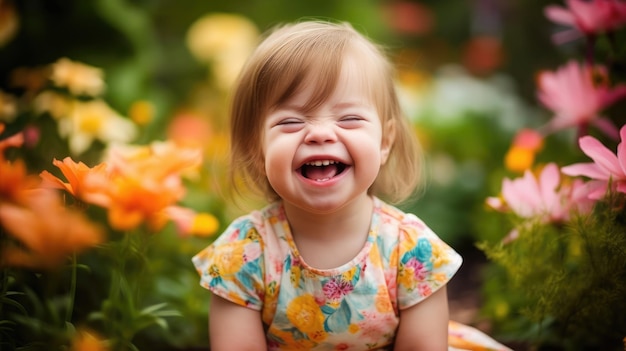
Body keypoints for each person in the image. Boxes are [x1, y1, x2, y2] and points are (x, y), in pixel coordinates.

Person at [192, 20, 463, 351]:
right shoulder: (244, 254)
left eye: (348, 119)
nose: (320, 133)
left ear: (385, 142)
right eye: (291, 121)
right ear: (256, 147)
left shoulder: (410, 250)